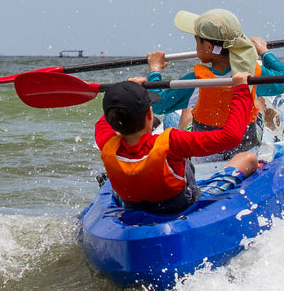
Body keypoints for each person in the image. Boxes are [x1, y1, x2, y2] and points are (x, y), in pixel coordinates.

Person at [95, 73, 261, 216]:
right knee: (248, 158)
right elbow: (231, 137)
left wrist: (126, 91)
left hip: (133, 205)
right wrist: (240, 90)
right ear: (149, 115)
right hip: (181, 208)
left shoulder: (106, 141)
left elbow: (103, 123)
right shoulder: (172, 142)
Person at [145, 8, 284, 157]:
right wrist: (264, 51)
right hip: (246, 146)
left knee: (184, 110)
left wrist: (155, 70)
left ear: (209, 47)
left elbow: (157, 105)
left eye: (197, 41)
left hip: (206, 152)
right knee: (258, 99)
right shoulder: (252, 73)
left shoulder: (195, 81)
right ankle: (281, 132)